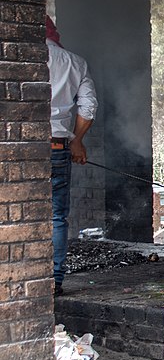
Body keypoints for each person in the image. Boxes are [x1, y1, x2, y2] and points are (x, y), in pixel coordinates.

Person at [46, 16, 98, 296]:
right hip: (56, 147)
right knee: (55, 217)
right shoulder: (74, 62)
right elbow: (88, 107)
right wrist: (76, 141)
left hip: (15, 152)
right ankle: (54, 280)